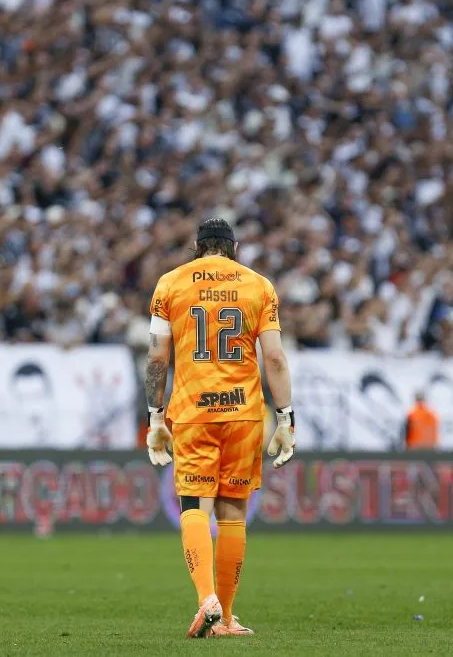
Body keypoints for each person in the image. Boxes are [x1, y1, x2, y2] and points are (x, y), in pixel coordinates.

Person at [144, 218, 295, 639]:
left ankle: (207, 600)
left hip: (192, 411)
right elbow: (276, 359)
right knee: (233, 515)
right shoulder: (258, 285)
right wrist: (286, 419)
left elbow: (157, 358)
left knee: (194, 506)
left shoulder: (170, 283)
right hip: (245, 413)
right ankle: (225, 618)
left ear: (197, 246)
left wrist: (155, 417)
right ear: (234, 248)